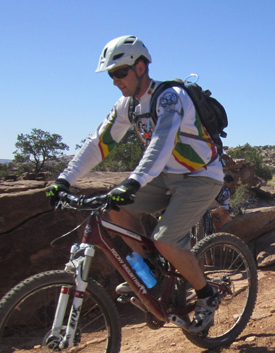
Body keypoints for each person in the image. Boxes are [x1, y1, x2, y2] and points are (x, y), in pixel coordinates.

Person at [45, 35, 224, 333]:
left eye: (119, 72)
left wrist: (133, 181)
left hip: (200, 175)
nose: (115, 81)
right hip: (166, 175)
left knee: (166, 239)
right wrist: (65, 178)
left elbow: (161, 144)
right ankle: (151, 270)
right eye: (110, 75)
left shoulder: (171, 97)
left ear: (140, 67)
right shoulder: (127, 106)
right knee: (115, 208)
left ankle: (208, 294)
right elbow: (98, 144)